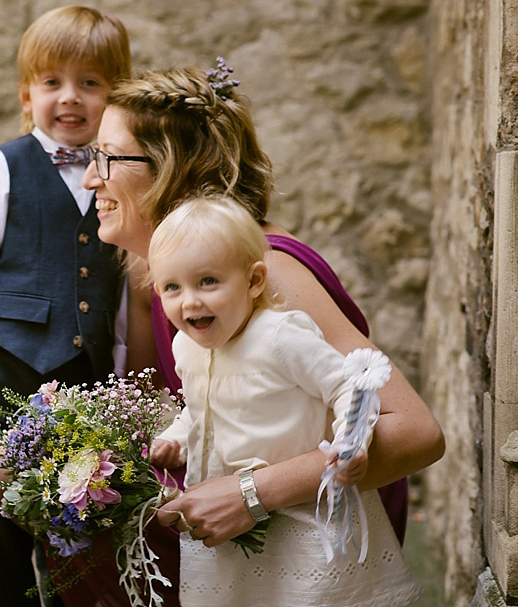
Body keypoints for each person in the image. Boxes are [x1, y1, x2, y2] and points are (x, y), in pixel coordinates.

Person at [79, 64, 444, 598]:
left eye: (108, 158)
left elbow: (416, 431)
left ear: (170, 170)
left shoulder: (269, 273)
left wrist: (249, 494)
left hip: (309, 541)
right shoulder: (161, 279)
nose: (91, 178)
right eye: (93, 157)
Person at [146, 194, 421, 605]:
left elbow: (348, 386)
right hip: (235, 519)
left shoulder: (280, 336)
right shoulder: (187, 346)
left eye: (208, 281)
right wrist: (176, 439)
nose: (190, 300)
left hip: (301, 510)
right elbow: (200, 410)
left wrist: (352, 444)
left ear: (255, 280)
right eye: (173, 287)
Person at [0, 5, 131, 606]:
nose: (69, 98)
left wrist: (122, 370)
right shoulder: (2, 166)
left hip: (87, 381)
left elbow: (124, 284)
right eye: (53, 83)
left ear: (116, 94)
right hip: (2, 369)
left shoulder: (119, 177)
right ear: (28, 95)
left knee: (77, 523)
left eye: (90, 83)